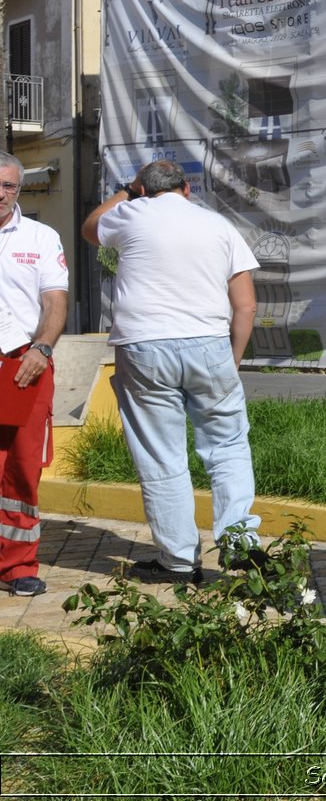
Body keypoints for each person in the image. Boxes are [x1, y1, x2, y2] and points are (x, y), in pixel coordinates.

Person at [81, 160, 264, 584]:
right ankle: (240, 548)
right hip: (209, 344)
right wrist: (230, 361)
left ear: (143, 190)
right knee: (228, 447)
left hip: (143, 346)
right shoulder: (217, 225)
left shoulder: (130, 212)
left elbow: (91, 228)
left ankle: (179, 561)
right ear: (186, 190)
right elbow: (246, 305)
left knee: (162, 455)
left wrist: (128, 191)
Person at [0, 153, 67, 596]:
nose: (0, 194)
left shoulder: (41, 237)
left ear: (19, 189)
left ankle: (18, 565)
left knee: (21, 469)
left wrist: (43, 348)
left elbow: (55, 300)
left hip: (22, 362)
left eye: (9, 186)